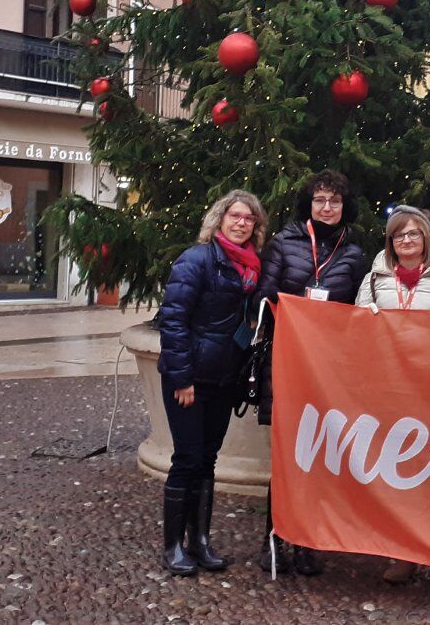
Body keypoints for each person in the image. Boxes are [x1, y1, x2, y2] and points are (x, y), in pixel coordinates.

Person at [254, 170, 367, 576]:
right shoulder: (284, 245)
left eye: (334, 201)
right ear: (309, 204)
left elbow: (358, 311)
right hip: (287, 362)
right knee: (286, 455)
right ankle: (274, 538)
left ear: (344, 206)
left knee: (316, 457)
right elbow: (264, 301)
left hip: (329, 371)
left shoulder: (353, 253)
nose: (327, 207)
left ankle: (305, 542)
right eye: (320, 200)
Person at [355, 206, 430, 595]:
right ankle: (402, 552)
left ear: (425, 238)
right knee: (399, 475)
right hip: (390, 391)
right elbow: (355, 327)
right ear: (390, 241)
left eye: (413, 234)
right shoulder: (373, 281)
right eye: (399, 235)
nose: (406, 240)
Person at [157, 189, 268, 576]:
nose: (241, 223)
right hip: (191, 379)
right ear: (219, 219)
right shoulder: (197, 260)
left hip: (224, 379)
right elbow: (172, 322)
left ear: (256, 226)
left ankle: (200, 541)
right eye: (235, 216)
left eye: (248, 218)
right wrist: (181, 377)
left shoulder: (252, 268)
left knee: (207, 459)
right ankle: (173, 546)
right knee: (186, 458)